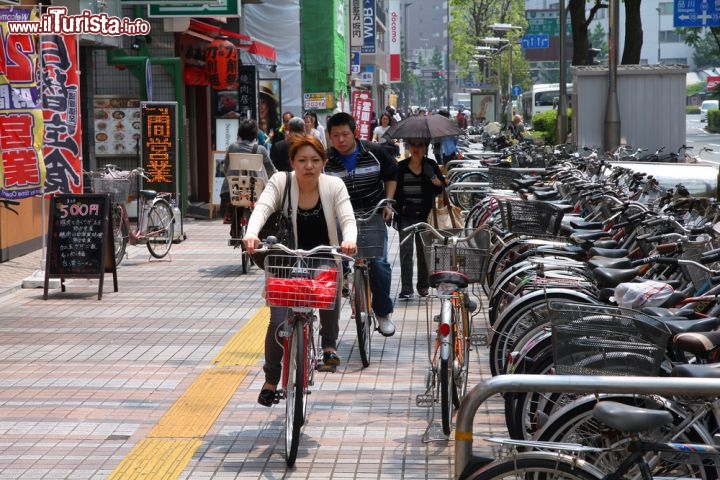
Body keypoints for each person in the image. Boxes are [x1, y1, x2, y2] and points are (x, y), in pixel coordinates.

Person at [243, 135, 357, 407]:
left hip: (321, 253)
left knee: (329, 284)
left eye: (315, 160)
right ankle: (271, 380)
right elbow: (262, 208)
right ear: (292, 162)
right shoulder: (281, 181)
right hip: (284, 255)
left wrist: (349, 239)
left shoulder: (334, 185)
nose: (309, 166)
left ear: (324, 163)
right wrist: (251, 233)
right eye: (302, 160)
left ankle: (328, 346)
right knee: (277, 320)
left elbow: (347, 218)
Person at [325, 112, 398, 337]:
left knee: (379, 264)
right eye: (335, 135)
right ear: (329, 136)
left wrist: (388, 203)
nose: (340, 140)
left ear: (354, 133)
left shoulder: (374, 152)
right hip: (341, 216)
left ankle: (383, 313)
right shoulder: (326, 159)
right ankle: (347, 282)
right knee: (334, 264)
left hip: (373, 213)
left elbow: (391, 174)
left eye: (345, 134)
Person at [394, 138, 444, 299]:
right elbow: (393, 189)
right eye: (413, 144)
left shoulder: (430, 165)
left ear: (425, 148)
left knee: (424, 252)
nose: (416, 148)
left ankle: (423, 285)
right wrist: (397, 208)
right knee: (406, 251)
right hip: (405, 215)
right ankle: (406, 288)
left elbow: (441, 188)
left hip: (425, 216)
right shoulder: (401, 167)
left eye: (420, 145)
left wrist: (432, 177)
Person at [220, 119, 277, 236]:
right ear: (255, 134)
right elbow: (271, 169)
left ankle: (235, 225)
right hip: (256, 191)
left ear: (240, 133)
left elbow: (226, 168)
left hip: (233, 190)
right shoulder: (261, 149)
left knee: (238, 199)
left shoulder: (232, 147)